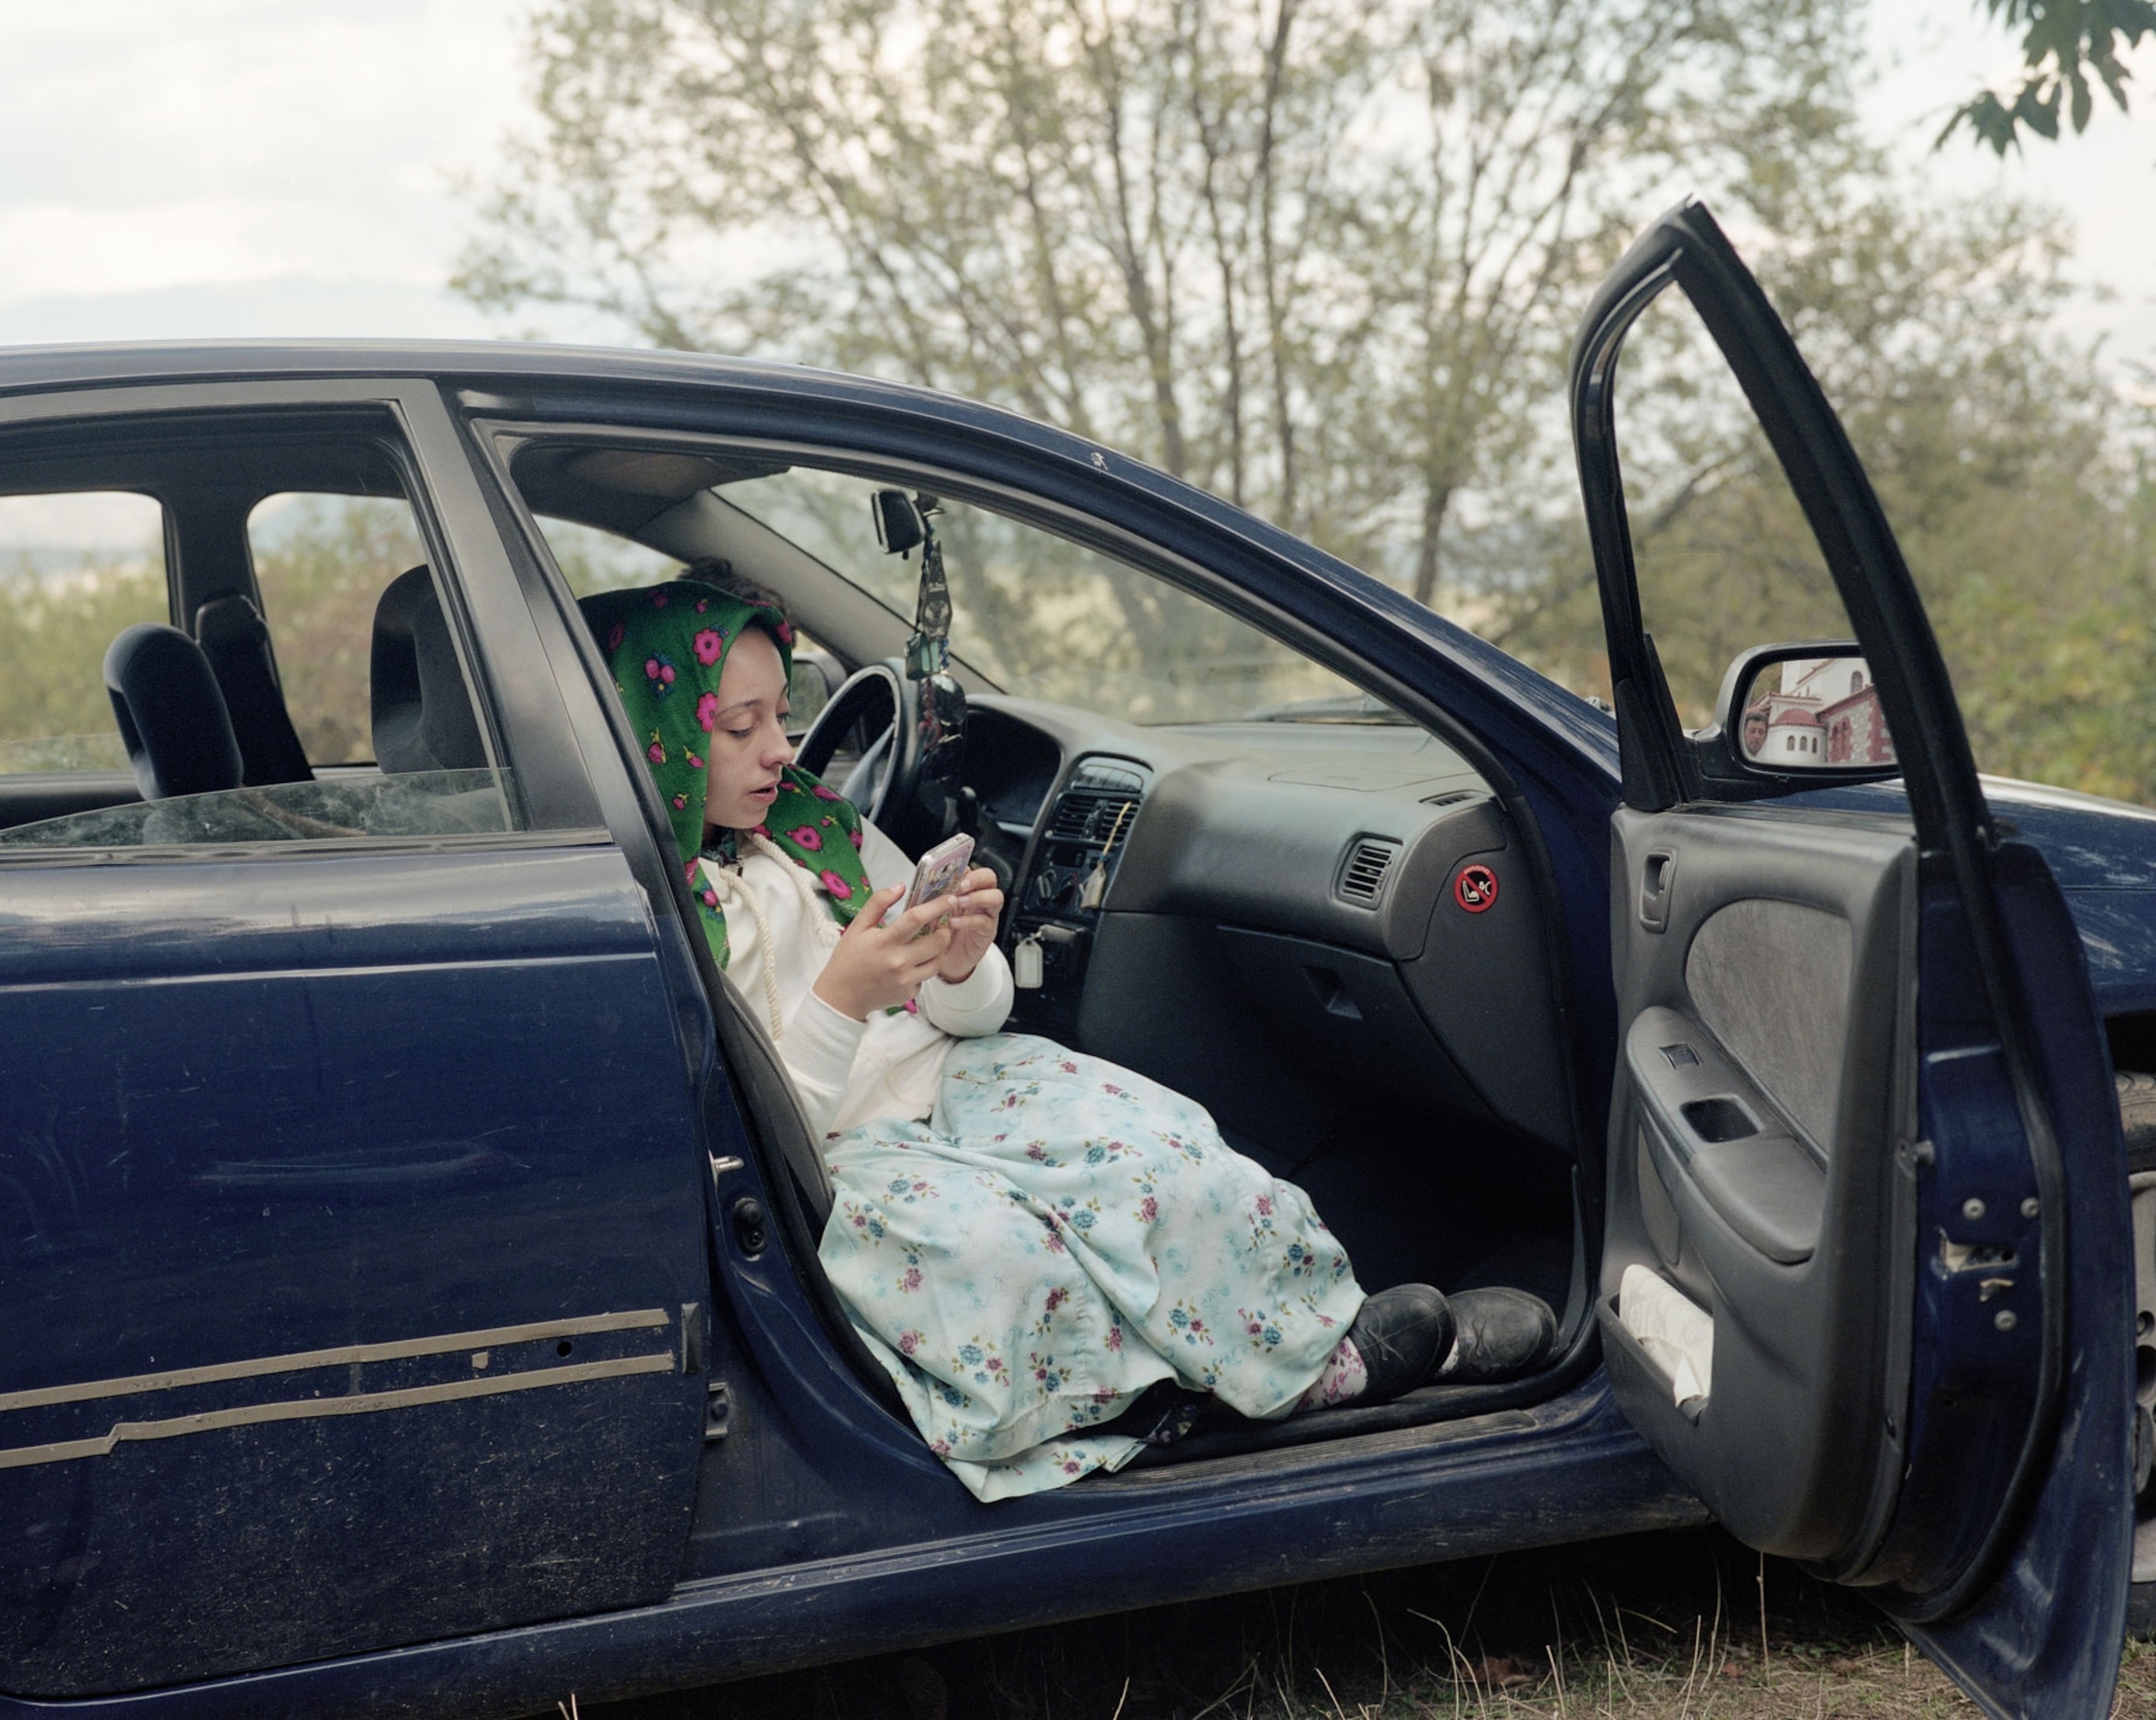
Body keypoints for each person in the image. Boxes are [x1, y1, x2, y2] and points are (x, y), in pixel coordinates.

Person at [585, 582, 1554, 1500]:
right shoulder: (651, 914)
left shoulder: (813, 832)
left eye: (782, 716)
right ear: (654, 740)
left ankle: (1315, 1351)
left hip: (959, 1076)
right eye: (736, 729)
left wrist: (963, 963)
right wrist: (845, 996)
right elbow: (745, 1132)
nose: (777, 752)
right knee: (993, 1258)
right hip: (832, 1147)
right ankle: (1181, 1406)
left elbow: (970, 1016)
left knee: (1166, 1161)